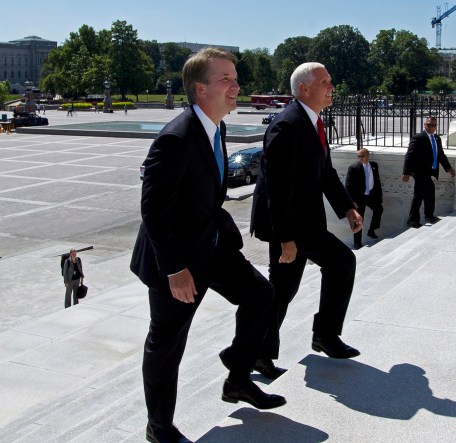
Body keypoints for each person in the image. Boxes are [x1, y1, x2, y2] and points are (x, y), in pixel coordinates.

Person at [131, 47, 284, 443]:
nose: (237, 86)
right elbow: (153, 213)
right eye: (226, 79)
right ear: (201, 89)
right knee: (167, 344)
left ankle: (237, 377)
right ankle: (159, 428)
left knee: (260, 294)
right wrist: (174, 270)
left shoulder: (216, 127)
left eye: (235, 78)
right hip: (177, 260)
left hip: (209, 246)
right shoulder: (176, 139)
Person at [250, 62, 363, 378]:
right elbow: (277, 187)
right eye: (326, 82)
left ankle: (265, 351)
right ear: (304, 88)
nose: (332, 87)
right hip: (287, 222)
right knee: (337, 263)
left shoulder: (312, 122)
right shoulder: (286, 125)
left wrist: (348, 207)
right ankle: (322, 336)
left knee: (284, 288)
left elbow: (325, 172)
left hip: (302, 221)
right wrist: (286, 237)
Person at [402, 116, 456, 228]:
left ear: (436, 127)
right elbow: (409, 155)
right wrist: (406, 172)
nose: (431, 127)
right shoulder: (418, 138)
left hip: (430, 171)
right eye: (428, 125)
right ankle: (427, 216)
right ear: (424, 125)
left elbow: (440, 155)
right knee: (428, 192)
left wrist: (449, 168)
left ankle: (414, 220)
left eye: (433, 125)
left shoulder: (437, 138)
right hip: (420, 171)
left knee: (419, 195)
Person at [345, 148, 383, 249]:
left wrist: (380, 195)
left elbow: (377, 181)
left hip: (371, 196)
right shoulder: (353, 168)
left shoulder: (374, 165)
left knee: (379, 209)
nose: (360, 158)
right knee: (358, 219)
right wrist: (352, 202)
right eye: (359, 156)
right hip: (358, 199)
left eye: (362, 156)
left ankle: (372, 229)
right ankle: (357, 242)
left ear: (368, 156)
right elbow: (348, 186)